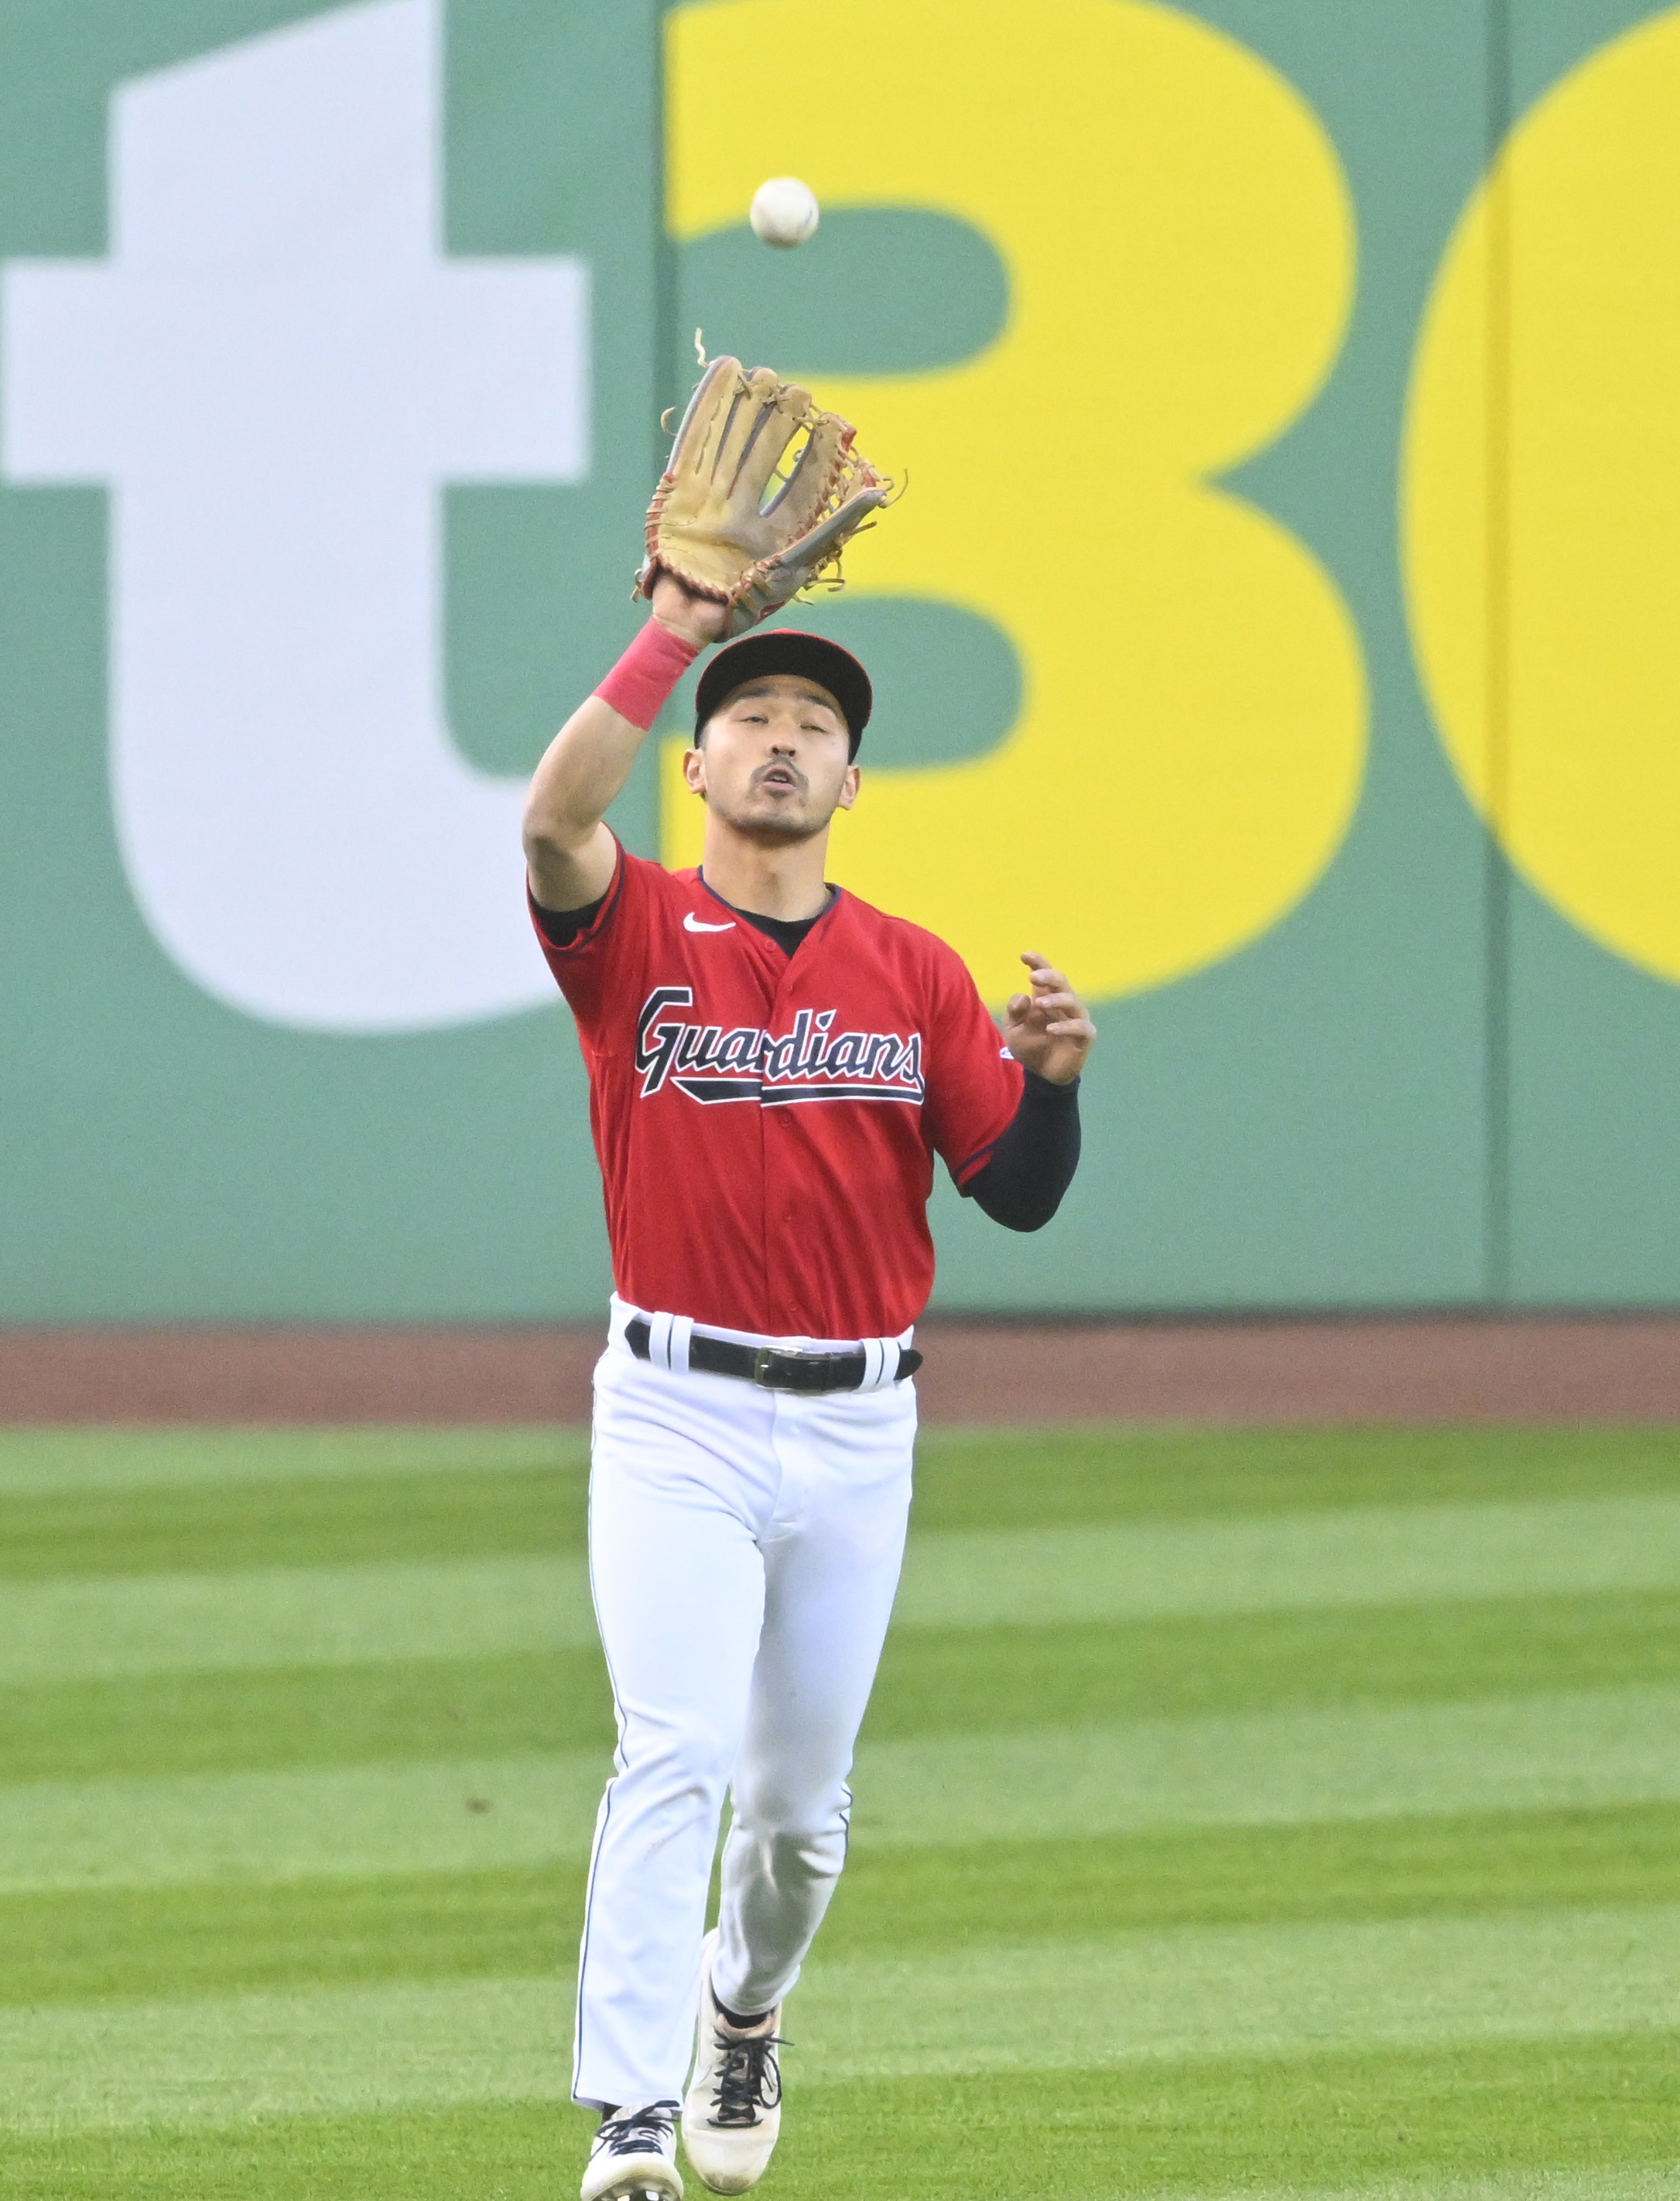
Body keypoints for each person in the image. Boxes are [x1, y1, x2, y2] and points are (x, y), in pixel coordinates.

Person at [522, 567, 1094, 2200]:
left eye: (816, 724)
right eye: (753, 720)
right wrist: (677, 632)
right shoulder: (630, 926)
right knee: (673, 1748)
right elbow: (551, 819)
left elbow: (1020, 1189)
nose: (782, 741)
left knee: (797, 1820)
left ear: (855, 781)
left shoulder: (911, 971)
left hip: (858, 1424)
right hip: (674, 1410)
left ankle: (744, 2004)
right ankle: (627, 2119)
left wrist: (1051, 1087)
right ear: (691, 767)